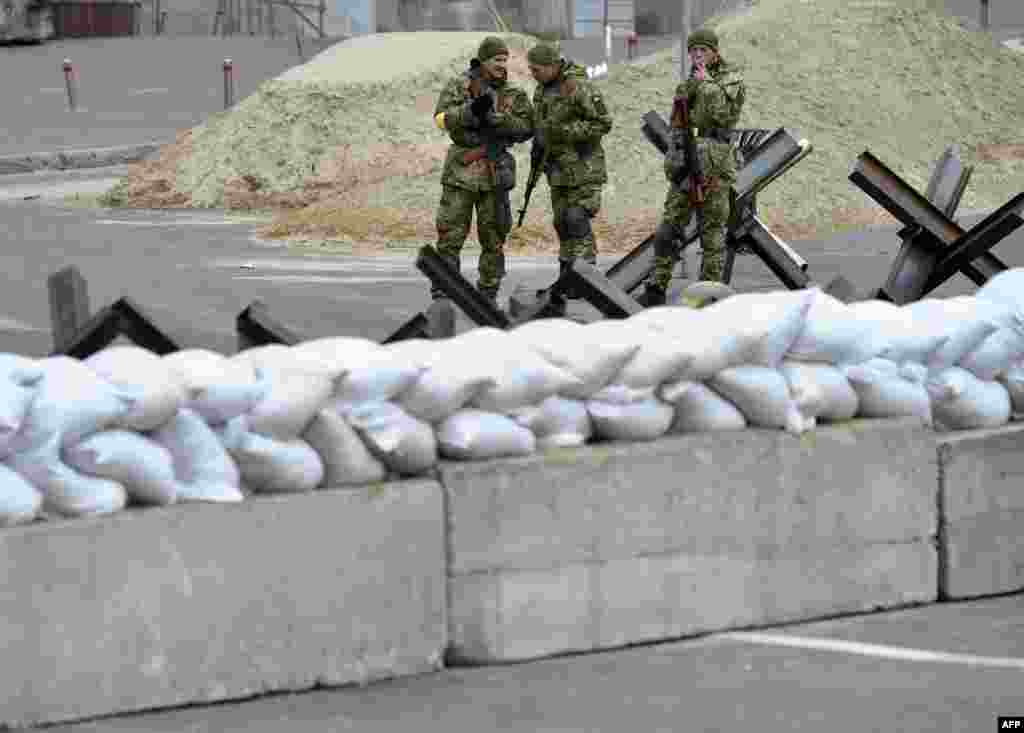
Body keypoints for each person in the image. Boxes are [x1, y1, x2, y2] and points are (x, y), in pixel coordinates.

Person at [639, 27, 746, 306]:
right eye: (693, 51)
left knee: (711, 235)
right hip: (686, 165)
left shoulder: (730, 79)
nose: (697, 55)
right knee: (668, 228)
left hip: (715, 166)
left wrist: (706, 83)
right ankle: (656, 286)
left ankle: (705, 297)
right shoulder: (686, 85)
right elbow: (677, 124)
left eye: (703, 50)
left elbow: (723, 116)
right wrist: (673, 161)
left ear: (715, 52)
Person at [430, 36, 534, 302]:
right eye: (496, 60)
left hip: (495, 172)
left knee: (494, 237)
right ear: (483, 60)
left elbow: (527, 129)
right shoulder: (460, 85)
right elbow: (440, 120)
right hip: (461, 172)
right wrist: (470, 112)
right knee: (450, 235)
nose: (502, 65)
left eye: (504, 60)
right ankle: (444, 290)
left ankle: (488, 292)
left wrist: (500, 120)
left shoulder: (513, 93)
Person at [526, 43, 613, 291]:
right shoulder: (541, 91)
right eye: (531, 70)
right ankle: (567, 279)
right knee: (562, 223)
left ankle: (587, 278)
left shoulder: (578, 86)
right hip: (558, 171)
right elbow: (542, 126)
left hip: (584, 168)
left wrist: (565, 132)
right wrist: (539, 147)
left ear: (553, 65)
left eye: (538, 69)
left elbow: (602, 123)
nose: (534, 75)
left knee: (577, 219)